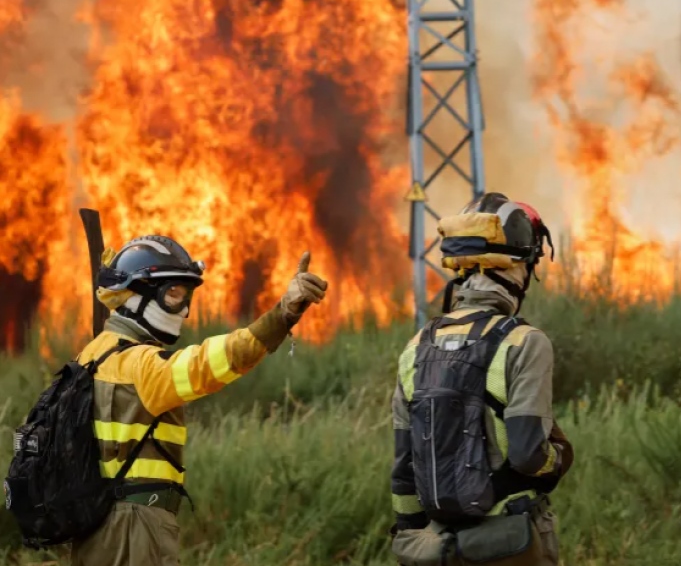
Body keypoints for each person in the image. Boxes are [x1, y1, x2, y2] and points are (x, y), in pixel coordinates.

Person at [69, 235, 328, 566]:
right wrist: (283, 315)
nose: (186, 309)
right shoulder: (141, 365)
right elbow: (212, 363)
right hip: (135, 528)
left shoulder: (90, 355)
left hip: (95, 526)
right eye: (174, 294)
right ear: (136, 295)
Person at [390, 193, 574, 565]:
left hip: (439, 547)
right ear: (515, 266)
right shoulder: (524, 342)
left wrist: (411, 536)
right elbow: (526, 454)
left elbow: (404, 467)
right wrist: (559, 459)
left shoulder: (416, 347)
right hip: (510, 542)